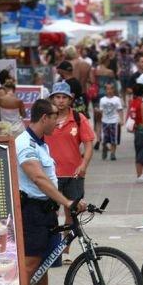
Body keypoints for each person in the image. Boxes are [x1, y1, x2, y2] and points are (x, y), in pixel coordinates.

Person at [16, 99, 86, 285]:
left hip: (45, 211)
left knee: (43, 263)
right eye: (55, 116)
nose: (58, 121)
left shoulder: (42, 143)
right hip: (31, 212)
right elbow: (38, 178)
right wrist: (66, 201)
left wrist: (67, 202)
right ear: (44, 117)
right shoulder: (25, 144)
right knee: (31, 263)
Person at [45, 82, 94, 265]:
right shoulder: (46, 118)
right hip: (50, 175)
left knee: (71, 213)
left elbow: (89, 143)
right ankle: (52, 250)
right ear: (51, 99)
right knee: (50, 213)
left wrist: (84, 164)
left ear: (70, 99)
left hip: (74, 174)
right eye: (57, 97)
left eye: (64, 97)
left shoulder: (78, 118)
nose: (60, 101)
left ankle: (65, 250)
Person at [90, 53, 119, 149]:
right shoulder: (110, 72)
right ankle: (107, 139)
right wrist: (117, 96)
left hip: (97, 96)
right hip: (107, 95)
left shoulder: (95, 71)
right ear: (107, 61)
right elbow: (114, 85)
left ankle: (98, 139)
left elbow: (92, 82)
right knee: (107, 118)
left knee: (97, 120)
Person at [128, 83, 143, 182]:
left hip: (136, 130)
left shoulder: (132, 102)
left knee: (138, 151)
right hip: (142, 130)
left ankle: (142, 175)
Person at [99, 83, 124, 161]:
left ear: (113, 90)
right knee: (103, 139)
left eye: (111, 89)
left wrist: (121, 119)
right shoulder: (102, 100)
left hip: (114, 121)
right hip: (105, 121)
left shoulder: (117, 99)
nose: (109, 91)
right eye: (107, 89)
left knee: (114, 139)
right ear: (105, 90)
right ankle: (104, 149)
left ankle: (113, 153)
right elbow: (101, 111)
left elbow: (120, 110)